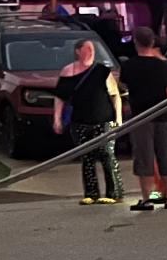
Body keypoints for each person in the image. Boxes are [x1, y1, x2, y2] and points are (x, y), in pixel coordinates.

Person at [119, 26, 167, 210]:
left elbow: (123, 87)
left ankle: (147, 198)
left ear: (135, 42)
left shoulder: (129, 66)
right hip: (163, 116)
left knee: (144, 158)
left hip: (140, 117)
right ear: (153, 42)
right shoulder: (165, 66)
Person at [51, 39, 123, 204]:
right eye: (87, 48)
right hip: (80, 120)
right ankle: (91, 193)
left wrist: (118, 118)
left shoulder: (102, 71)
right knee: (87, 157)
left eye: (92, 48)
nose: (91, 51)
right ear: (78, 51)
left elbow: (115, 95)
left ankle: (114, 192)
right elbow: (60, 97)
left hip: (103, 119)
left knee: (107, 155)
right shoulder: (68, 72)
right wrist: (57, 119)